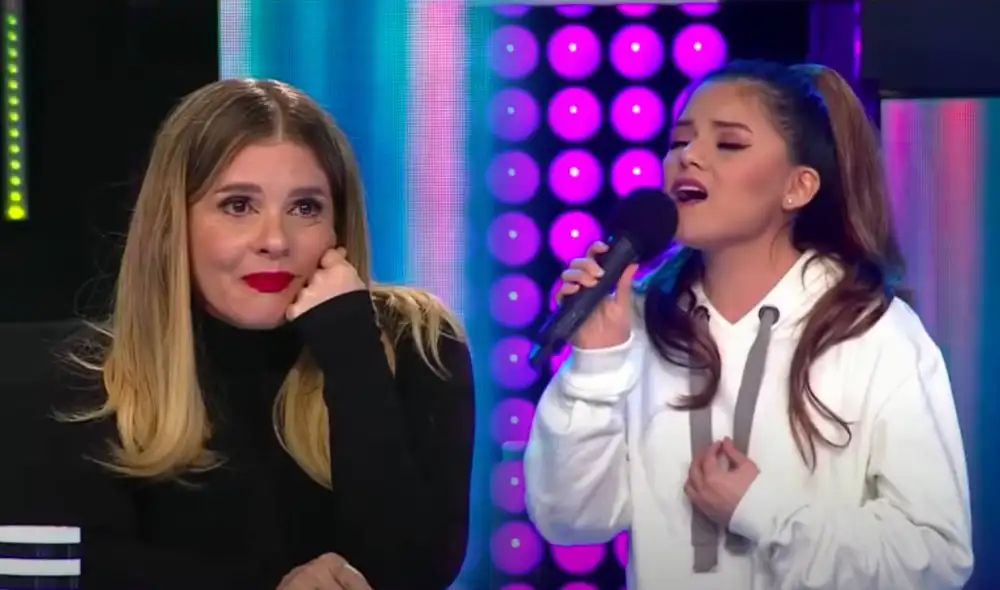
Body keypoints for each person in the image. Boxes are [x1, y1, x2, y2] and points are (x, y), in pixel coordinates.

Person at [0, 79, 475, 590]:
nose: (275, 240)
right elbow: (55, 569)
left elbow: (412, 573)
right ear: (172, 224)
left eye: (306, 207)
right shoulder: (70, 380)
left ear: (338, 225)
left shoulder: (415, 342)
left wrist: (351, 352)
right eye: (238, 206)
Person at [523, 60, 973, 590]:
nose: (687, 158)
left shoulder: (874, 331)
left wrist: (765, 510)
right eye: (678, 142)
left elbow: (936, 557)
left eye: (729, 145)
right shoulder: (638, 324)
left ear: (798, 187)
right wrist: (595, 365)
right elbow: (569, 519)